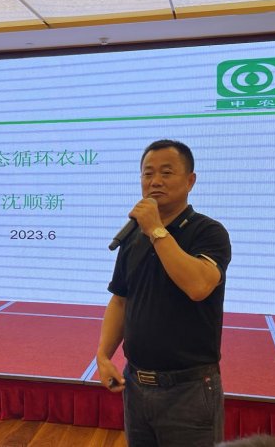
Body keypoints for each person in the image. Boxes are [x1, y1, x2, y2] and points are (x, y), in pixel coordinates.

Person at [96, 139, 232, 447]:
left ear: (190, 181)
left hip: (189, 390)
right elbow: (120, 300)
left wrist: (157, 230)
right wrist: (103, 355)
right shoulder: (135, 235)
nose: (155, 181)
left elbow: (198, 286)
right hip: (135, 385)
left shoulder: (208, 232)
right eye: (148, 173)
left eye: (166, 173)